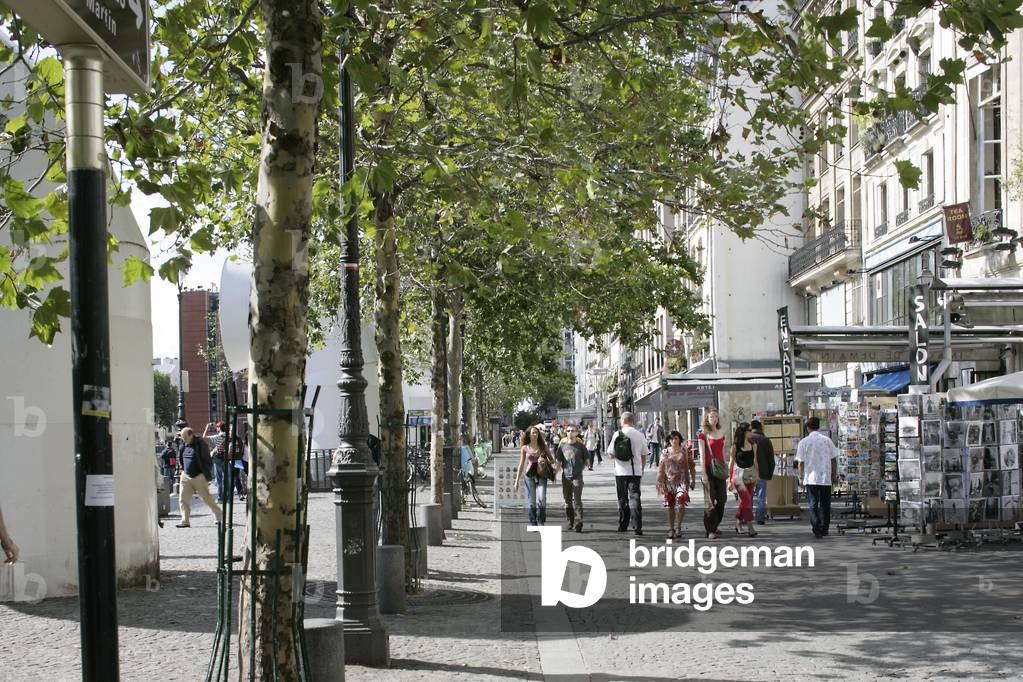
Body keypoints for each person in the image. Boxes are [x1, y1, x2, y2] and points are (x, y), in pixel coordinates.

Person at [795, 416, 839, 538]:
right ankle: (825, 527)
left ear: (807, 428)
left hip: (811, 477)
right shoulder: (827, 440)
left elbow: (800, 462)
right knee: (825, 504)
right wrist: (834, 474)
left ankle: (816, 526)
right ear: (819, 427)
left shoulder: (803, 442)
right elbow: (834, 459)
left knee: (813, 503)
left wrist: (801, 478)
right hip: (825, 477)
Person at [607, 411, 649, 536]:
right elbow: (644, 455)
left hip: (620, 471)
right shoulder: (639, 435)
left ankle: (623, 524)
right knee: (635, 497)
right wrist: (642, 469)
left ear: (623, 421)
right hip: (635, 471)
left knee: (622, 498)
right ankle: (637, 526)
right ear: (632, 421)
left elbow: (610, 454)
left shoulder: (617, 434)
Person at [176, 427, 223, 528]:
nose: (183, 439)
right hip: (186, 476)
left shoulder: (201, 444)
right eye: (182, 437)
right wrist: (183, 470)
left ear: (191, 435)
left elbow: (208, 461)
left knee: (207, 498)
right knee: (183, 499)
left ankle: (218, 515)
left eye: (185, 437)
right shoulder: (183, 445)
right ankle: (185, 520)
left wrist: (204, 474)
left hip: (199, 476)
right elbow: (180, 459)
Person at [656, 430, 695, 539]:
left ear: (679, 439)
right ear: (669, 440)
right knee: (670, 506)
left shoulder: (685, 451)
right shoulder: (665, 452)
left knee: (681, 504)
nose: (674, 440)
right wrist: (660, 482)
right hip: (669, 482)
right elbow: (661, 468)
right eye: (672, 438)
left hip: (682, 481)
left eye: (676, 438)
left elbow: (692, 466)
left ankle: (678, 527)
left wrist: (693, 480)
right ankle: (671, 528)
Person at [514, 426, 554, 525]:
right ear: (529, 435)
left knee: (542, 498)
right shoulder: (525, 448)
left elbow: (552, 460)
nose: (535, 434)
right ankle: (533, 521)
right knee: (532, 500)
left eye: (537, 432)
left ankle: (541, 520)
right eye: (533, 433)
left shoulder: (543, 446)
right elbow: (521, 464)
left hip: (542, 474)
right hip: (529, 475)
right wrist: (516, 480)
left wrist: (544, 461)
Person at [699, 407, 728, 540]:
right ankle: (710, 529)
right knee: (709, 500)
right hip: (709, 469)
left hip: (720, 469)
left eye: (716, 416)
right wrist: (703, 473)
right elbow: (702, 455)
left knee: (722, 499)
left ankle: (715, 524)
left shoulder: (722, 433)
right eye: (711, 417)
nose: (714, 419)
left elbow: (722, 452)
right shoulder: (703, 435)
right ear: (707, 418)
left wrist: (725, 467)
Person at [728, 422, 760, 537]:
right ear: (744, 432)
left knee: (744, 502)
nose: (752, 432)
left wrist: (758, 475)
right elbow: (731, 463)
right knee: (746, 501)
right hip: (738, 476)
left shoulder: (753, 445)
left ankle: (738, 522)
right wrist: (729, 480)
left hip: (751, 475)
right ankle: (750, 526)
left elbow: (756, 461)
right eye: (749, 430)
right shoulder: (735, 446)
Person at [555, 424, 588, 532]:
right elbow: (558, 462)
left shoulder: (581, 446)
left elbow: (587, 460)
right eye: (568, 431)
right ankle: (570, 522)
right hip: (566, 477)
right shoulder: (562, 446)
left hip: (577, 476)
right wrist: (555, 473)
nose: (570, 433)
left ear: (577, 433)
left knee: (577, 500)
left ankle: (578, 522)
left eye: (572, 431)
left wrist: (582, 467)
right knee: (568, 501)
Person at [749, 420, 776, 525]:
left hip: (749, 472)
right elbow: (771, 459)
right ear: (761, 428)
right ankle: (760, 517)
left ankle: (747, 517)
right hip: (762, 473)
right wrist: (770, 473)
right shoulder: (766, 440)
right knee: (761, 496)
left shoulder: (747, 439)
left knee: (749, 496)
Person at [204, 421, 229, 504]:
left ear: (219, 428)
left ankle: (220, 498)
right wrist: (217, 426)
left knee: (218, 478)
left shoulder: (217, 436)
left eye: (217, 427)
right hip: (226, 457)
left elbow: (204, 436)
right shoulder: (228, 435)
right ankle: (226, 497)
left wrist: (207, 428)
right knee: (225, 478)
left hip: (218, 458)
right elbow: (221, 430)